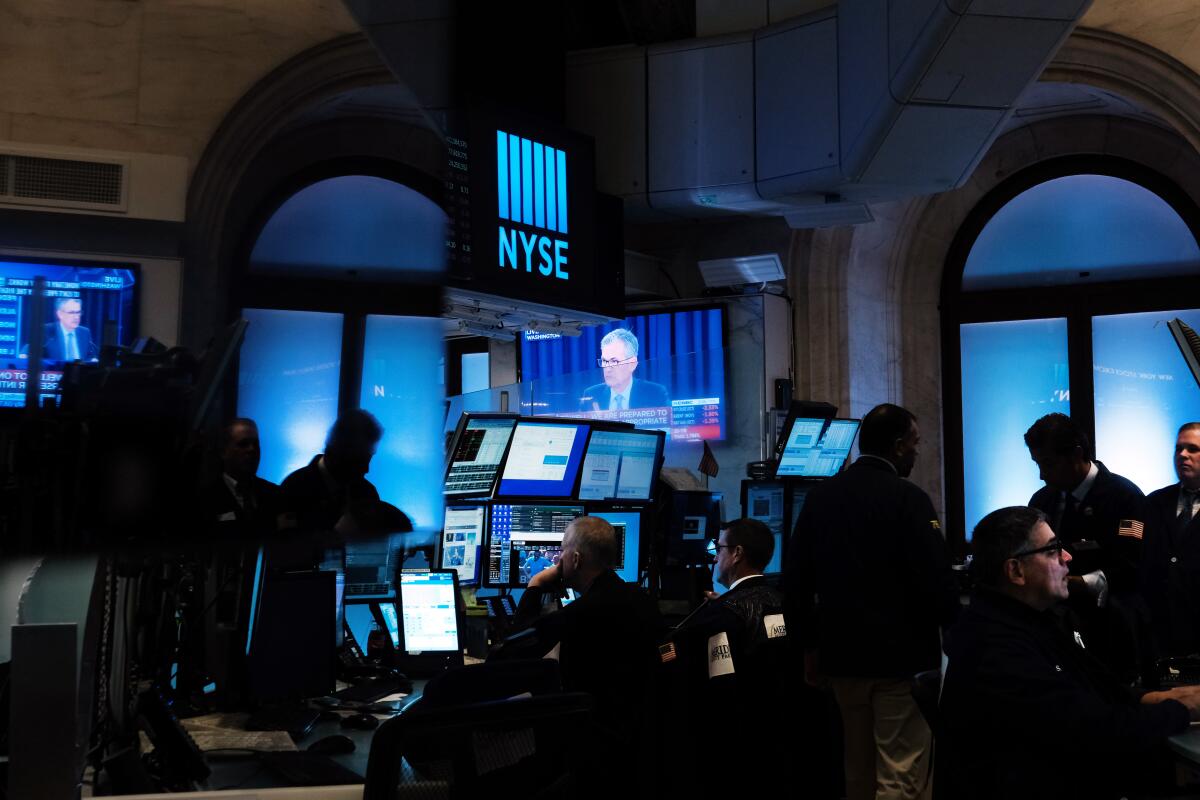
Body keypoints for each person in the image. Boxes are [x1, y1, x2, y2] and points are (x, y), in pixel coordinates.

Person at [938, 506, 1200, 800]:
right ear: (1015, 570)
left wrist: (1158, 698)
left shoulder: (1033, 620)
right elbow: (1098, 733)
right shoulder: (996, 648)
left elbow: (1094, 689)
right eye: (1052, 551)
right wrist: (1181, 710)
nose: (1068, 558)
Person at [786, 402, 958, 800]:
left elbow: (796, 583)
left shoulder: (821, 497)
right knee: (900, 774)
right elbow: (938, 581)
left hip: (841, 660)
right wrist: (956, 637)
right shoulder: (909, 499)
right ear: (898, 446)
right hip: (902, 662)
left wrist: (809, 648)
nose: (918, 451)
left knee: (857, 773)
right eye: (915, 443)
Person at [508, 516, 664, 794]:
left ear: (576, 559)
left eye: (562, 550)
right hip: (640, 749)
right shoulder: (642, 599)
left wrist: (534, 584)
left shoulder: (585, 612)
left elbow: (517, 647)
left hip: (594, 754)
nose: (558, 558)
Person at [661, 518, 788, 795]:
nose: (715, 557)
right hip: (777, 736)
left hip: (730, 746)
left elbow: (675, 660)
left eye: (719, 549)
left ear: (737, 554)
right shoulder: (782, 601)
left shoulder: (721, 615)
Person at [1025, 412, 1148, 682]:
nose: (1041, 475)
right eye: (1037, 464)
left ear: (1076, 454)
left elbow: (1131, 567)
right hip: (1057, 624)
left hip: (1111, 626)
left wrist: (1077, 582)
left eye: (1048, 464)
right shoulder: (1043, 500)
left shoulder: (1124, 497)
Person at [1140, 422, 1200, 658]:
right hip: (1158, 632)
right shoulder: (1154, 502)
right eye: (1178, 449)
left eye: (1192, 449)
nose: (1182, 455)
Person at [279, 408, 390, 533]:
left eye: (368, 457)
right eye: (359, 459)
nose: (366, 469)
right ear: (339, 447)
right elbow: (287, 547)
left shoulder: (368, 493)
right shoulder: (293, 489)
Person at [199, 418, 281, 539]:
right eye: (243, 444)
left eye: (256, 444)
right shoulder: (203, 499)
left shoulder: (275, 494)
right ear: (224, 451)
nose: (252, 449)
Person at [578, 327, 669, 411]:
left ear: (632, 364)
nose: (607, 368)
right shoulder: (591, 394)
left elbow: (664, 428)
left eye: (614, 361)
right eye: (605, 361)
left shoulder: (655, 393)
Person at [39, 297, 94, 362]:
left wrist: (93, 360)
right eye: (71, 312)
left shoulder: (85, 332)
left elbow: (89, 356)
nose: (76, 317)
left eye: (78, 312)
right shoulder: (47, 330)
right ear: (60, 314)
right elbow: (30, 351)